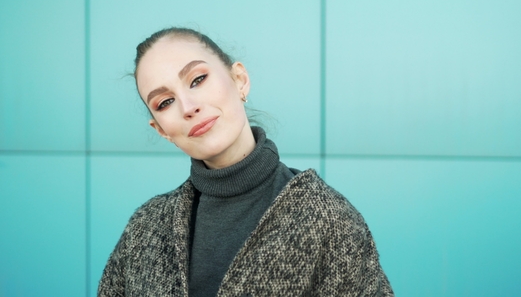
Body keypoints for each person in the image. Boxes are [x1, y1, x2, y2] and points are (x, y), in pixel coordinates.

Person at [98, 27, 394, 297]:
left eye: (198, 80)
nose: (189, 107)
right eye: (165, 102)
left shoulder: (327, 218)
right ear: (161, 130)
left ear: (239, 79)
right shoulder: (145, 228)